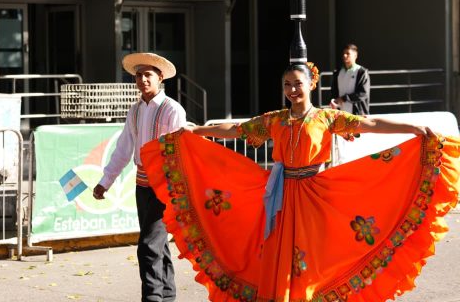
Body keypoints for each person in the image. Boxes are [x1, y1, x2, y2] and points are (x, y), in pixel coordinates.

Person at [140, 62, 460, 302]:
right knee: (278, 256)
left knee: (313, 259)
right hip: (280, 196)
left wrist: (413, 129)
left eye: (298, 83)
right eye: (287, 84)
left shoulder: (327, 118)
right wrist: (197, 131)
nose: (292, 89)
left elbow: (370, 122)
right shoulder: (276, 120)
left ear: (312, 84)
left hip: (314, 195)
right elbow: (236, 129)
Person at [93, 52, 186, 302]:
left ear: (160, 78)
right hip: (142, 185)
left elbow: (180, 151)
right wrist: (105, 181)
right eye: (138, 75)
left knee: (149, 246)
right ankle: (166, 296)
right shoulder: (134, 110)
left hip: (164, 186)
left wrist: (175, 189)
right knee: (157, 244)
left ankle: (153, 298)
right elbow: (124, 148)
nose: (142, 80)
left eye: (148, 75)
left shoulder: (172, 109)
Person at [330, 43, 370, 115]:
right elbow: (334, 91)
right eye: (344, 53)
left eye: (348, 53)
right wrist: (334, 101)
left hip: (357, 114)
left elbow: (363, 93)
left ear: (355, 56)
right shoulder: (338, 72)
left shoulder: (362, 72)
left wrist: (345, 98)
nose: (344, 55)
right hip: (341, 113)